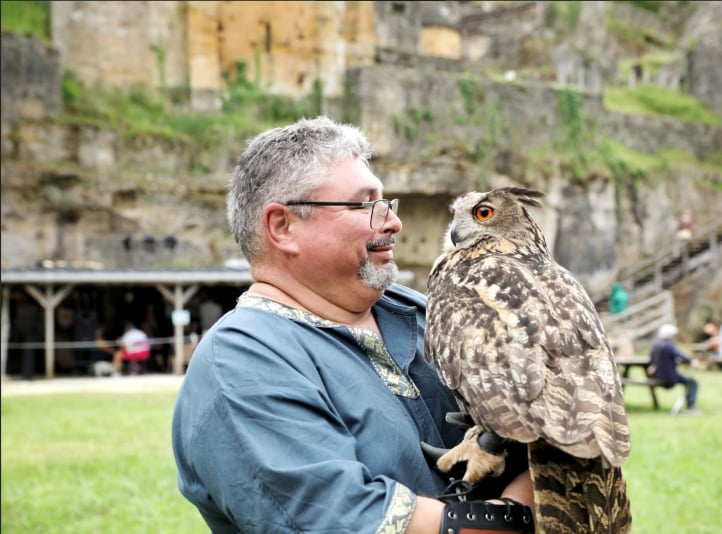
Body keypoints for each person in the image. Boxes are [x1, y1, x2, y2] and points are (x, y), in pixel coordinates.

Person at [171, 116, 534, 533]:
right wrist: (521, 512)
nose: (393, 222)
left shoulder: (421, 310)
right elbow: (349, 520)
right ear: (283, 227)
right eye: (365, 204)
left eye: (387, 203)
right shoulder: (241, 361)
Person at [648, 324, 701, 415]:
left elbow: (652, 359)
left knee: (689, 381)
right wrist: (691, 361)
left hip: (657, 375)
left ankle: (689, 405)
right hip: (669, 377)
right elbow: (680, 355)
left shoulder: (655, 344)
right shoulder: (669, 345)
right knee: (692, 382)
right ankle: (690, 407)